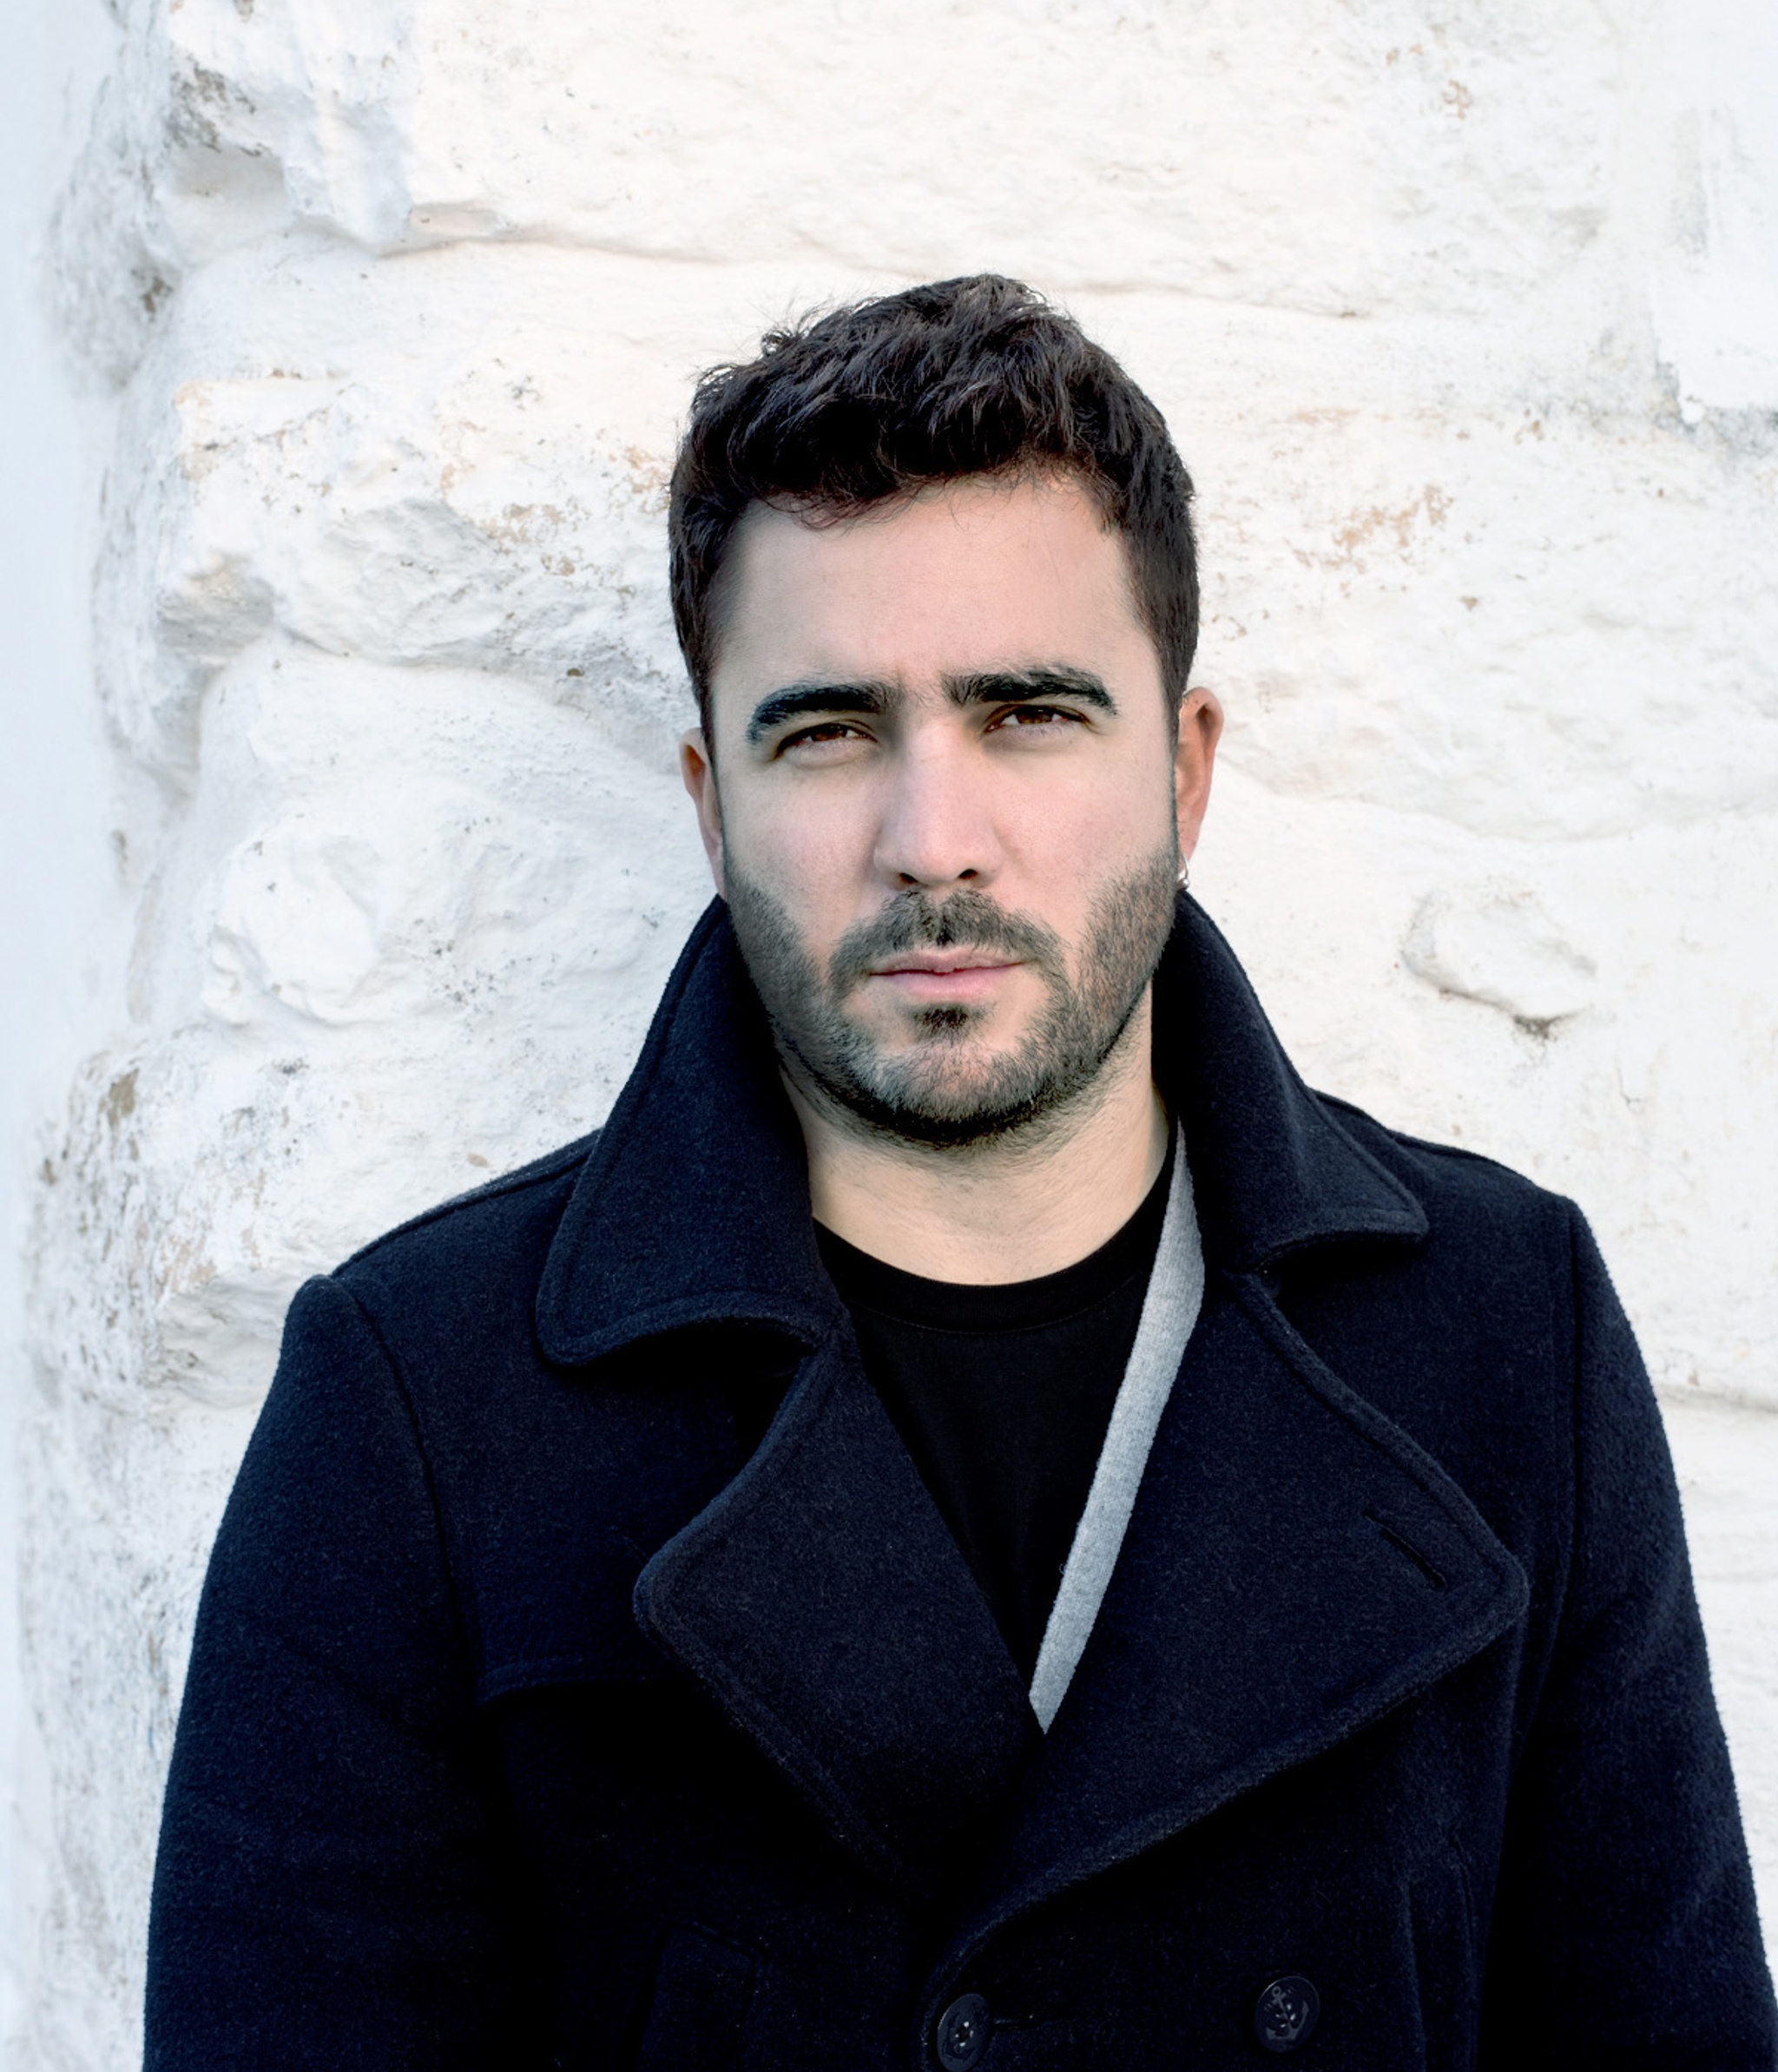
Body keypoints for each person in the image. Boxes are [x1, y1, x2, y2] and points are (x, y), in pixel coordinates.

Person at [145, 275, 1775, 2069]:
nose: (933, 839)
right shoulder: (423, 1402)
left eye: (1027, 714)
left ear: (1184, 766)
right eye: (829, 731)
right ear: (709, 797)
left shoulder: (1494, 1331)